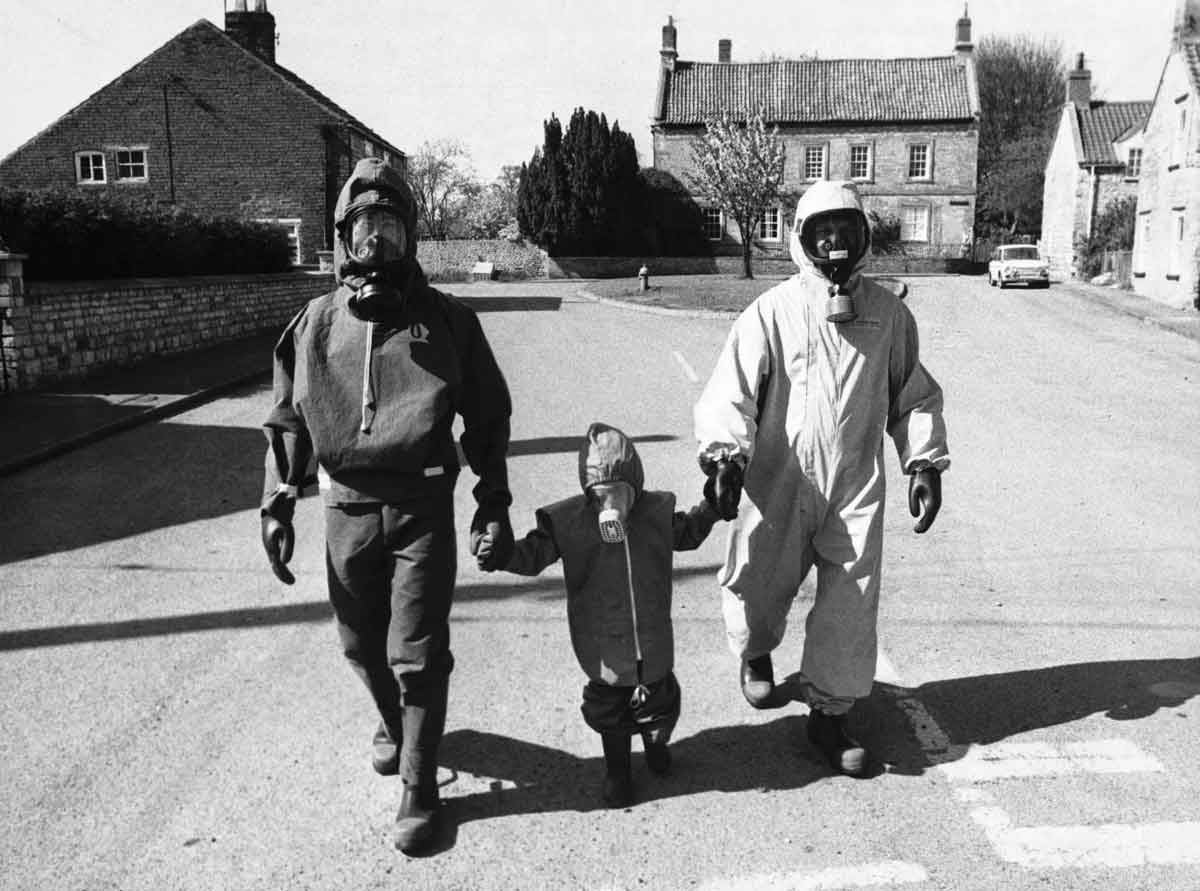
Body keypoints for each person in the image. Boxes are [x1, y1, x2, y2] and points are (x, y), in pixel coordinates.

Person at [258, 157, 514, 854]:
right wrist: (279, 501)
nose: (378, 242)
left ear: (411, 234)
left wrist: (493, 500)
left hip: (422, 507)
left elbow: (487, 418)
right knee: (358, 643)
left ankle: (420, 783)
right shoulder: (315, 325)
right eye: (365, 226)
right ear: (343, 234)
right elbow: (288, 419)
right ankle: (398, 726)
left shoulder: (448, 322)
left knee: (417, 653)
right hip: (348, 511)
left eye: (391, 225)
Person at [694, 180, 949, 777]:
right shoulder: (773, 311)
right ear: (802, 239)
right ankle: (756, 653)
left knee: (850, 605)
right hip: (778, 481)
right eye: (822, 231)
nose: (834, 241)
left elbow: (912, 396)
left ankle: (829, 717)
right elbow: (729, 391)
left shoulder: (887, 314)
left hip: (853, 485)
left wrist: (923, 461)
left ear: (863, 239)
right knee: (758, 577)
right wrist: (725, 457)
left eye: (846, 229)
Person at [478, 422, 721, 806]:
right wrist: (502, 554)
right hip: (602, 644)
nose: (611, 506)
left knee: (661, 702)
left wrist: (713, 506)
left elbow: (688, 532)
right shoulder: (569, 522)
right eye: (600, 496)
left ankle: (656, 743)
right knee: (611, 712)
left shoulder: (655, 513)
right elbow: (533, 555)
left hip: (653, 640)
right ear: (588, 495)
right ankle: (618, 771)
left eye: (619, 495)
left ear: (636, 489)